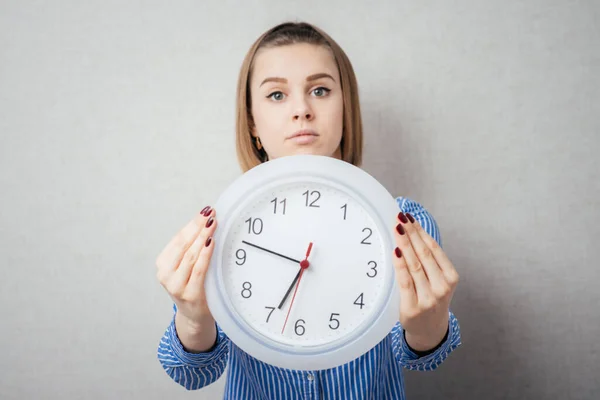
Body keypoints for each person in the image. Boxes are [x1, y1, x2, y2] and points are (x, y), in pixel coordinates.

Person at [156, 21, 462, 399]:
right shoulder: (220, 230)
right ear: (252, 121)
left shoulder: (402, 223)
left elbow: (419, 357)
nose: (301, 110)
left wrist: (429, 325)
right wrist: (192, 316)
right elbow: (192, 374)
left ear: (345, 107)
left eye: (320, 90)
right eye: (276, 95)